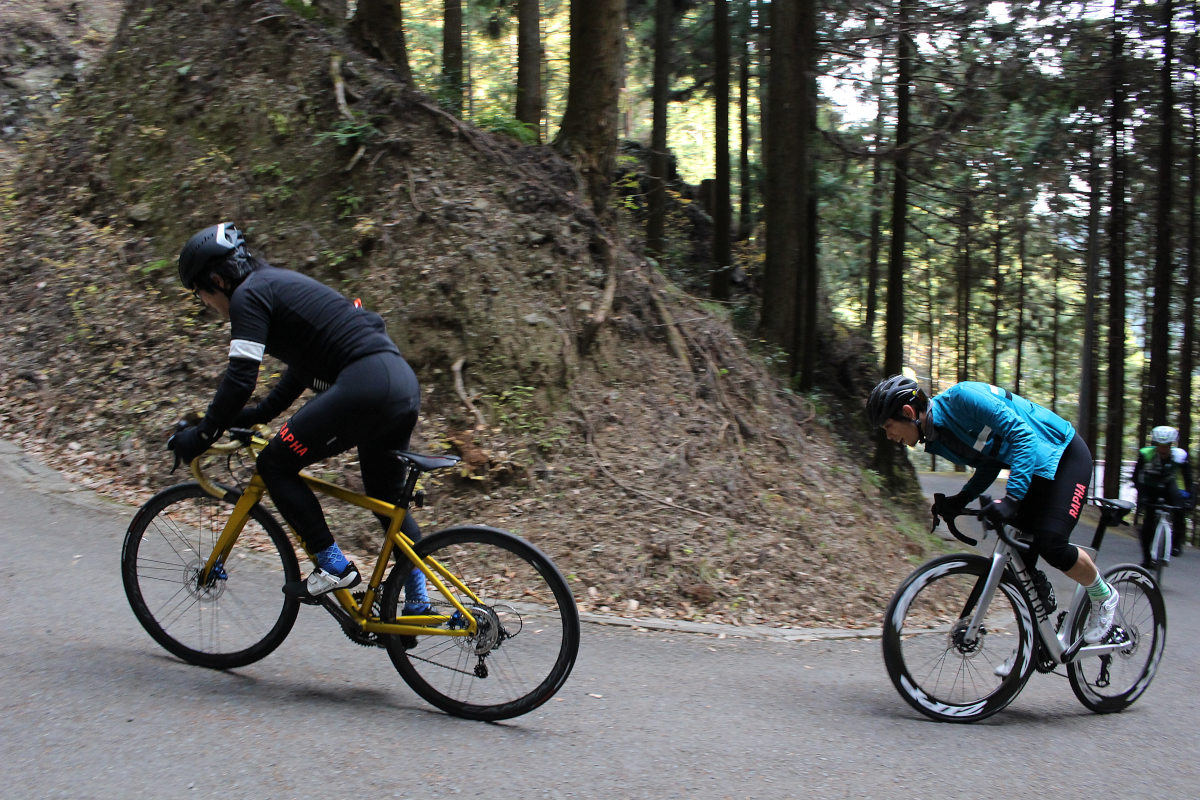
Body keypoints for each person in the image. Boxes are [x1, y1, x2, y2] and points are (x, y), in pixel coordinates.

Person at [168, 222, 429, 607]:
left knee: (275, 464)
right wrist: (258, 414)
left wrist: (203, 434)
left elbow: (240, 379)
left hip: (365, 383)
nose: (206, 304)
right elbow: (303, 368)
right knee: (385, 499)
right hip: (399, 384)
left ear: (217, 281)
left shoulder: (248, 295)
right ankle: (418, 602)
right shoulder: (276, 283)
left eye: (200, 294)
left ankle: (333, 565)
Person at [867, 375, 1119, 646]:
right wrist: (961, 499)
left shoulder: (964, 398)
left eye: (889, 427)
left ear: (908, 412)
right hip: (1033, 467)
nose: (890, 436)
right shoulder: (937, 438)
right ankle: (1031, 652)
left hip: (1063, 454)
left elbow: (1023, 436)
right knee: (1017, 558)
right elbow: (989, 463)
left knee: (1051, 542)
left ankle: (1103, 595)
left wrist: (1011, 499)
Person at [1132, 425, 1193, 566]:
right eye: (1160, 445)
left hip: (1169, 485)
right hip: (1150, 487)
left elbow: (1188, 479)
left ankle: (1177, 543)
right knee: (1148, 523)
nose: (1163, 449)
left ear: (1172, 445)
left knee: (1179, 509)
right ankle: (1147, 558)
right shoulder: (1146, 454)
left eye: (1167, 446)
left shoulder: (1180, 456)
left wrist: (1190, 499)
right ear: (1155, 444)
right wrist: (1141, 495)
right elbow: (1136, 477)